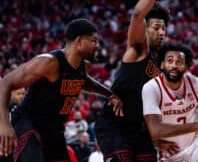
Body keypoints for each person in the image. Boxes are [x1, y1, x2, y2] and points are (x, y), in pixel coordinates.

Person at [0, 18, 123, 161]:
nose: (98, 45)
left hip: (55, 129)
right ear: (79, 41)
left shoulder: (84, 67)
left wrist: (109, 94)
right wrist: (4, 124)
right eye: (93, 40)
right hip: (30, 123)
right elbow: (5, 83)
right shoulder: (48, 62)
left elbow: (83, 81)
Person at [95, 0, 175, 161]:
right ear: (145, 29)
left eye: (164, 29)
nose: (161, 32)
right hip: (115, 125)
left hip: (140, 129)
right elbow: (138, 13)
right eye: (156, 27)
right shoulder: (138, 50)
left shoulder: (161, 66)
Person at [142, 42, 198, 162]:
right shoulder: (151, 88)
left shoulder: (196, 83)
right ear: (161, 64)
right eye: (170, 61)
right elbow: (156, 130)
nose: (174, 65)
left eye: (179, 62)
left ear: (186, 66)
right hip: (168, 151)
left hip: (196, 145)